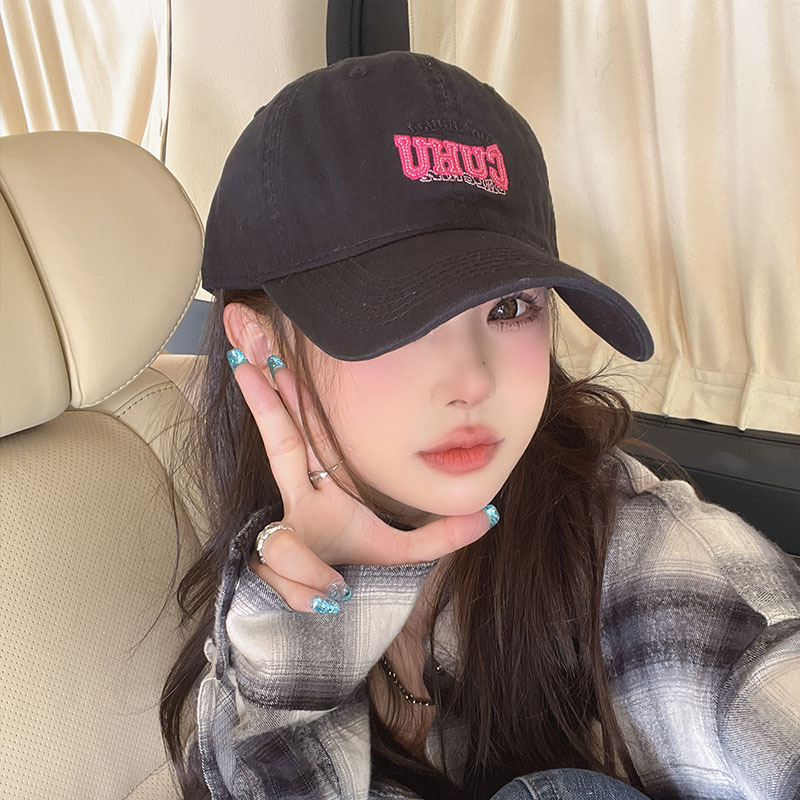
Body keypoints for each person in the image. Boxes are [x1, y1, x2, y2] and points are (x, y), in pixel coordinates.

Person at [158, 51, 800, 800]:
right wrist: (297, 648)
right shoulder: (256, 614)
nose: (473, 380)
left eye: (509, 307)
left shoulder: (643, 558)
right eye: (397, 314)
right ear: (263, 343)